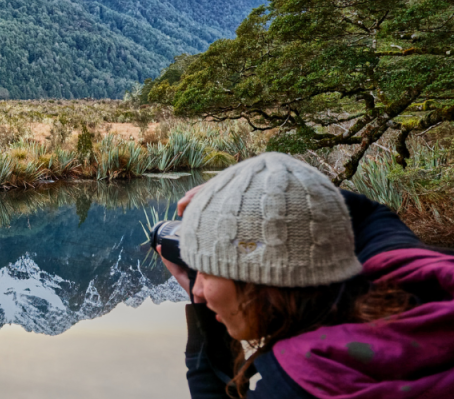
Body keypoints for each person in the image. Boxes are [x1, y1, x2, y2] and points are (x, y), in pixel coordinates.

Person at [157, 152, 454, 398]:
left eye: (207, 273)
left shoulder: (304, 382)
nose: (202, 289)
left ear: (257, 282)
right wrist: (245, 195)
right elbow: (370, 216)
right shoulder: (415, 272)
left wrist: (203, 321)